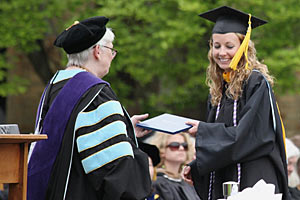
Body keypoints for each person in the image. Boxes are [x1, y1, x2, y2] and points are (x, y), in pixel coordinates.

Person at [27, 16, 152, 200]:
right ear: (97, 51)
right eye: (111, 50)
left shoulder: (54, 86)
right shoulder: (95, 94)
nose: (112, 55)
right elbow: (115, 169)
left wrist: (124, 130)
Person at [182, 6, 291, 200]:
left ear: (244, 46)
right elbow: (219, 142)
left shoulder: (256, 82)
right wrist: (196, 166)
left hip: (254, 180)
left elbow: (252, 134)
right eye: (216, 46)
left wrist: (204, 130)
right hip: (228, 176)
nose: (221, 52)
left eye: (229, 46)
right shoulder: (218, 89)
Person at [149, 132, 201, 200]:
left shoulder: (189, 183)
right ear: (162, 150)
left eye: (185, 145)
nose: (181, 148)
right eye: (175, 145)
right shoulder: (157, 183)